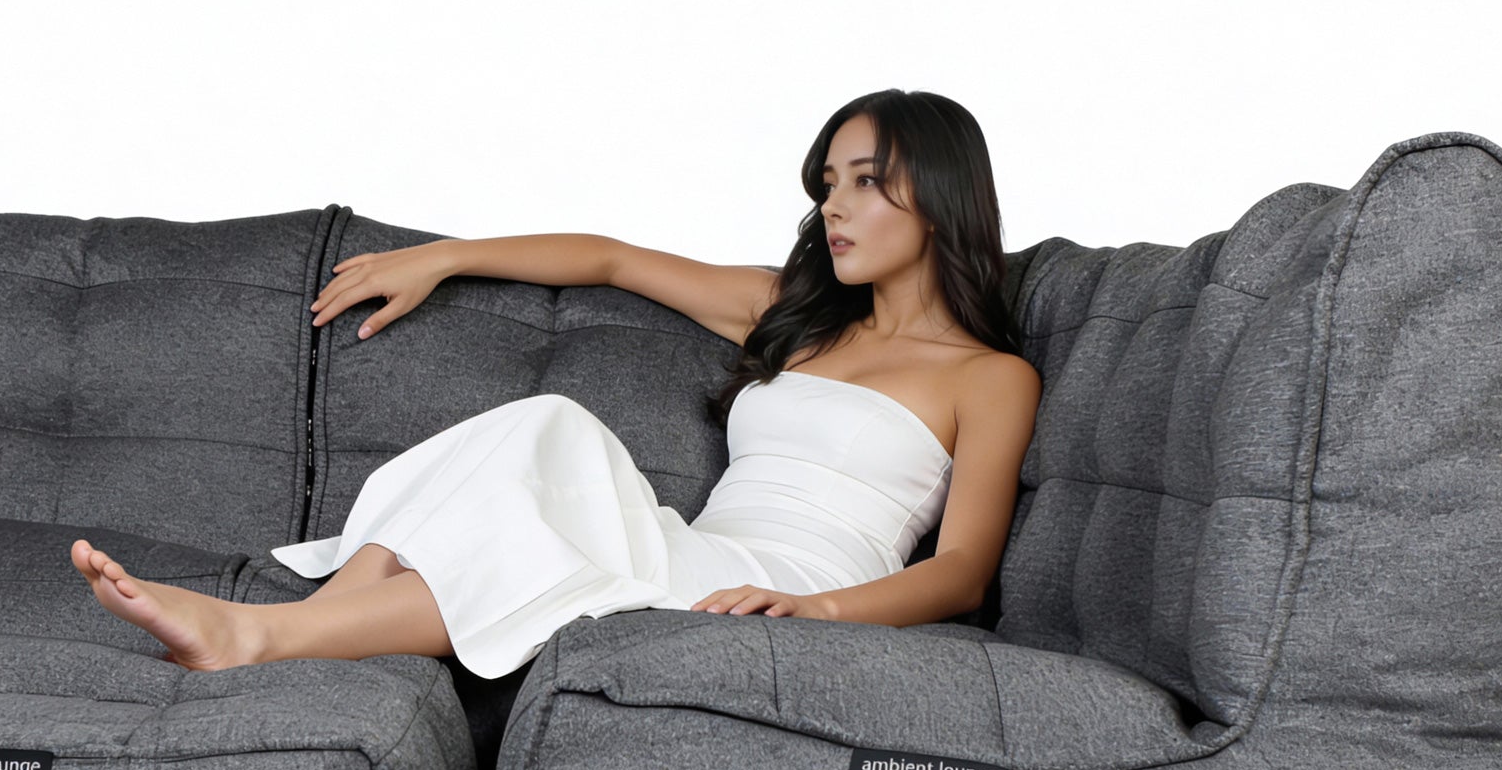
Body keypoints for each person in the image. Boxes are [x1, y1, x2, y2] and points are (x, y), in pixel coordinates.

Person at [69, 88, 1042, 678]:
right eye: (827, 183)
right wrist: (446, 256)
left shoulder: (989, 377)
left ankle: (263, 637)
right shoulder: (793, 311)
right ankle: (298, 631)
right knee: (547, 423)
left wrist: (822, 612)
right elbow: (611, 259)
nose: (833, 205)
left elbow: (961, 570)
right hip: (698, 549)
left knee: (536, 546)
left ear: (938, 194)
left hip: (796, 592)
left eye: (864, 180)